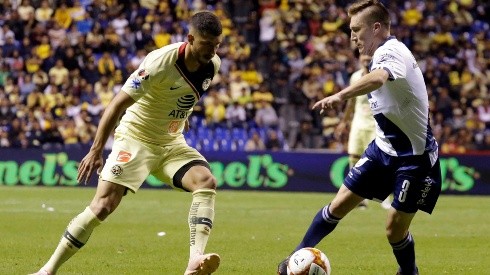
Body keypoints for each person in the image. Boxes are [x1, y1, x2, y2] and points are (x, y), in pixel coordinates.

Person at [31, 11, 223, 275]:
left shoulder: (213, 64)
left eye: (216, 45)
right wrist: (96, 149)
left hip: (170, 142)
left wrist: (183, 116)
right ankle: (48, 270)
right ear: (190, 38)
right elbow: (116, 104)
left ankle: (195, 261)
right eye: (206, 44)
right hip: (136, 139)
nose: (212, 50)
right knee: (102, 207)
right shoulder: (160, 61)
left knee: (205, 181)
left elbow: (185, 94)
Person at [277, 1, 441, 275]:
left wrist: (340, 95)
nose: (351, 36)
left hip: (415, 158)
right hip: (382, 150)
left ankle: (409, 272)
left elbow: (378, 79)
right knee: (338, 205)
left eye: (356, 29)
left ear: (376, 28)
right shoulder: (378, 55)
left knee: (394, 230)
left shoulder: (392, 51)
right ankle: (293, 261)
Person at [337, 53, 391, 210]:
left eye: (369, 57)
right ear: (359, 59)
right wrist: (344, 122)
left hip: (376, 124)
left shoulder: (380, 75)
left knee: (379, 161)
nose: (366, 60)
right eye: (364, 58)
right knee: (354, 157)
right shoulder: (355, 77)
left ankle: (385, 196)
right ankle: (359, 198)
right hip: (358, 123)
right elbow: (351, 102)